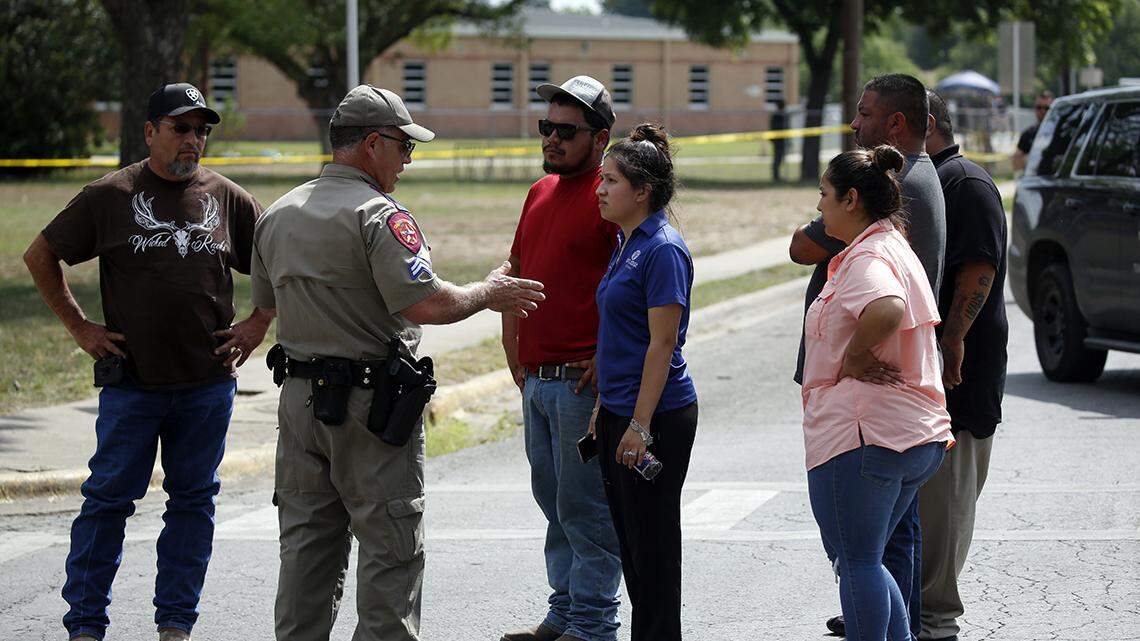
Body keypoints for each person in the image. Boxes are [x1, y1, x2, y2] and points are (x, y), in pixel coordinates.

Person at [252, 85, 545, 641]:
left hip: (299, 405)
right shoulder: (378, 216)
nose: (408, 159)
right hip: (371, 410)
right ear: (370, 144)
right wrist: (488, 292)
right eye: (403, 146)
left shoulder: (278, 214)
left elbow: (266, 306)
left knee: (306, 554)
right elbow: (427, 304)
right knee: (391, 548)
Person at [23, 82, 270, 641]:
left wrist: (260, 320)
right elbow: (41, 254)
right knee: (108, 501)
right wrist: (80, 327)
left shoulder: (228, 198)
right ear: (150, 131)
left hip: (207, 384)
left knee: (193, 502)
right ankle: (85, 625)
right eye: (181, 128)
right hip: (132, 384)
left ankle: (175, 624)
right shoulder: (110, 195)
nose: (193, 141)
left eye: (201, 131)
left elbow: (276, 258)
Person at [797, 72, 946, 638]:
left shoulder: (868, 257)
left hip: (866, 436)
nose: (820, 206)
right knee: (869, 560)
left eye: (825, 196)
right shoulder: (889, 241)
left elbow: (884, 308)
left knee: (856, 562)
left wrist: (855, 356)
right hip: (909, 434)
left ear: (851, 200)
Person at [499, 75, 623, 641]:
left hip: (581, 382)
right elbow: (516, 269)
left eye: (566, 131)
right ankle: (564, 612)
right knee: (553, 502)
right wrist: (511, 343)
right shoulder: (539, 190)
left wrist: (610, 355)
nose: (551, 138)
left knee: (587, 508)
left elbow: (640, 283)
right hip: (538, 380)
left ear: (599, 138)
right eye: (546, 127)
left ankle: (594, 623)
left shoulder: (612, 193)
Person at [590, 123, 698, 641]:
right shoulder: (625, 241)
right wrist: (605, 409)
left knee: (653, 546)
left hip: (656, 417)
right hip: (619, 412)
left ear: (642, 191)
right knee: (632, 545)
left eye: (611, 180)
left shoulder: (662, 250)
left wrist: (640, 424)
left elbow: (662, 345)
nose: (601, 188)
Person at [919, 91, 1008, 641]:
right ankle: (898, 605)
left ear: (920, 124)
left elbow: (978, 270)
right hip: (919, 377)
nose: (858, 125)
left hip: (960, 378)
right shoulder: (917, 181)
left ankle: (936, 621)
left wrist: (952, 340)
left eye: (868, 115)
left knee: (945, 506)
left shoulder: (965, 183)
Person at [1012, 91, 1054, 172]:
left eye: (1047, 108)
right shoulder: (1028, 134)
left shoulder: (1061, 132)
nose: (1043, 111)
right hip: (1034, 179)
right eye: (1039, 107)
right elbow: (1016, 164)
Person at [770, 100, 788, 182]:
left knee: (781, 158)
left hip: (783, 140)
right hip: (778, 141)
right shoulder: (777, 115)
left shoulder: (783, 115)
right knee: (777, 158)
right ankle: (776, 176)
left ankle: (779, 175)